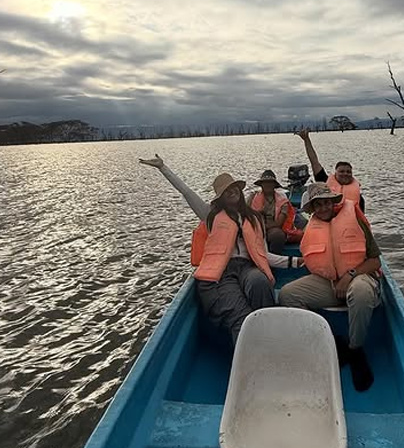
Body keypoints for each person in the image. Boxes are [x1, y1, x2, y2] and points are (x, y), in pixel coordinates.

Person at [138, 155, 302, 346]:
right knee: (242, 319)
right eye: (226, 191)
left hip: (248, 268)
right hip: (221, 275)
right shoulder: (211, 215)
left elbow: (263, 256)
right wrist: (163, 168)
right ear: (220, 197)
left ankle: (269, 337)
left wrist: (295, 261)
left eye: (234, 188)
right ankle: (249, 361)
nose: (232, 191)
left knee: (260, 282)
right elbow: (186, 192)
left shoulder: (254, 219)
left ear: (240, 191)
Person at [278, 182, 381, 392]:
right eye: (318, 205)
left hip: (360, 277)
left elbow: (375, 261)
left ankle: (355, 349)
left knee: (360, 292)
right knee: (287, 295)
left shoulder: (354, 219)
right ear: (313, 208)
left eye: (327, 203)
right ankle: (333, 341)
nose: (324, 208)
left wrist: (349, 276)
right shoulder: (311, 227)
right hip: (329, 283)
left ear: (333, 202)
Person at [295, 127, 364, 210]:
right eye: (342, 171)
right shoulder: (325, 183)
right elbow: (314, 162)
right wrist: (306, 140)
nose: (345, 174)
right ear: (335, 173)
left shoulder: (359, 197)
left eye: (348, 172)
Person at [247, 169, 296, 254]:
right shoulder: (252, 197)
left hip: (272, 230)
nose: (267, 185)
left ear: (274, 185)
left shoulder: (283, 200)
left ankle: (274, 258)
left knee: (278, 235)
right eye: (265, 182)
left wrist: (264, 228)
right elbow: (247, 216)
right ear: (261, 185)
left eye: (270, 182)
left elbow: (279, 223)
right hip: (255, 228)